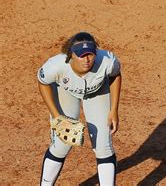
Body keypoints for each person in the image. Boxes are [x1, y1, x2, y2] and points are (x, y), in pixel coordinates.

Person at [38, 32, 121, 185]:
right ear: (71, 55)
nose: (87, 59)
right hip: (65, 92)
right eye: (81, 55)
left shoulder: (108, 61)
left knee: (104, 146)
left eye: (90, 54)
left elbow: (115, 75)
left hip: (98, 93)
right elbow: (43, 83)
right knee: (61, 144)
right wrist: (57, 116)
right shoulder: (55, 66)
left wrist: (114, 110)